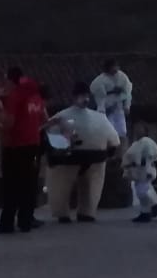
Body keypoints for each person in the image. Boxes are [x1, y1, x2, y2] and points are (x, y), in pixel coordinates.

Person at [44, 82, 121, 223]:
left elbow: (48, 134)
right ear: (75, 97)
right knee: (73, 187)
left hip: (79, 158)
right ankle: (76, 212)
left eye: (86, 96)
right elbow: (114, 140)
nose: (85, 99)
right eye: (82, 96)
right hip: (82, 158)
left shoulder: (63, 116)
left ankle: (75, 212)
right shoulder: (97, 118)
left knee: (68, 186)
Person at [0, 67, 48, 235]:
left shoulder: (15, 96)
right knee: (29, 183)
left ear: (10, 80)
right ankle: (26, 220)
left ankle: (7, 223)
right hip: (33, 144)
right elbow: (44, 118)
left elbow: (9, 123)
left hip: (15, 145)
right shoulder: (35, 95)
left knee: (11, 185)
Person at [122, 133, 157, 222]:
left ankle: (153, 205)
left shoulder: (146, 142)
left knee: (142, 191)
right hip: (139, 171)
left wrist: (140, 163)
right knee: (142, 190)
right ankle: (146, 211)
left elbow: (149, 155)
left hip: (144, 170)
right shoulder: (137, 144)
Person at [91, 59, 134, 141]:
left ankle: (120, 149)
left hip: (118, 107)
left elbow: (128, 92)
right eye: (112, 68)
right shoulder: (100, 80)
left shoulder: (122, 77)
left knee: (121, 131)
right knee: (107, 131)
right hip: (106, 107)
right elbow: (99, 96)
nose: (115, 70)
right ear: (108, 68)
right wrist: (103, 110)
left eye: (116, 67)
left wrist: (127, 106)